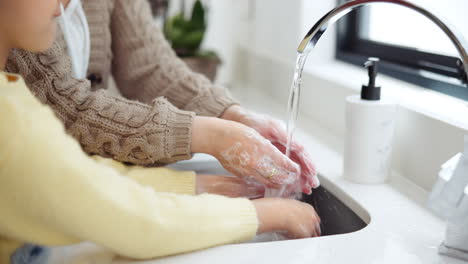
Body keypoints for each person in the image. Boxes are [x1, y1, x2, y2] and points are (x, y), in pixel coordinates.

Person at [0, 0, 321, 263]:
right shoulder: (15, 123)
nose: (66, 6)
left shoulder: (12, 101)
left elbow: (81, 178)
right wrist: (264, 213)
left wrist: (197, 182)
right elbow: (137, 221)